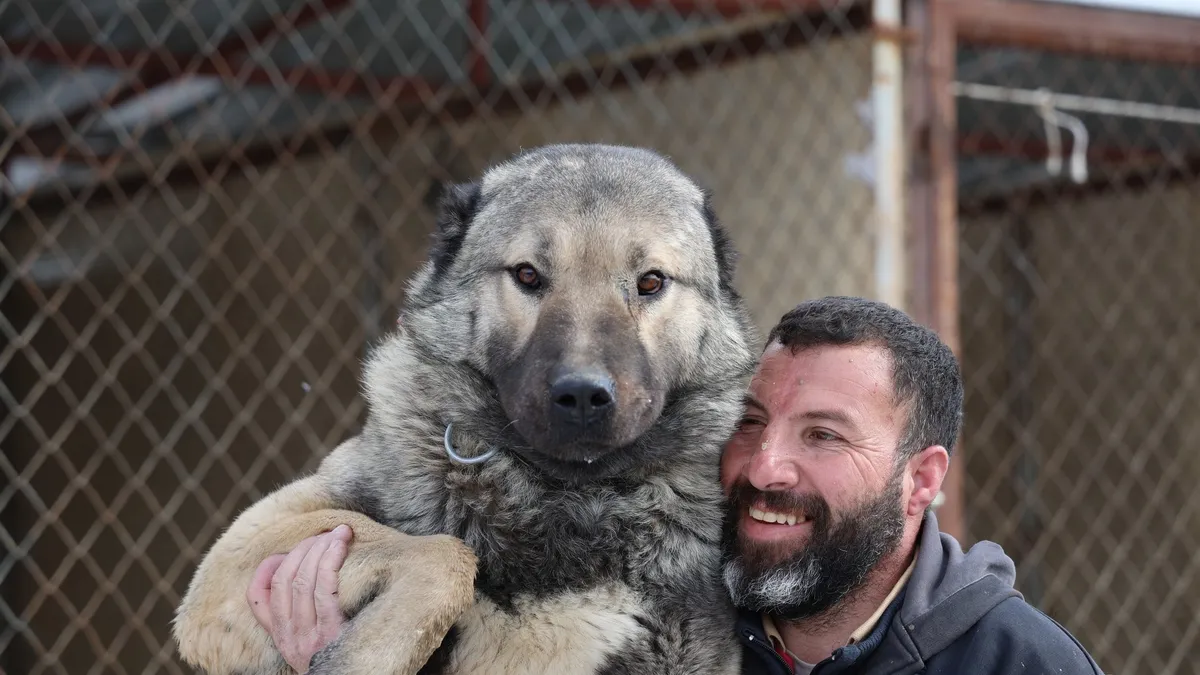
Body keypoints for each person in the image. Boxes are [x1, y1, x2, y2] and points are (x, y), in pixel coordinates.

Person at [247, 296, 1104, 675]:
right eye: (750, 422)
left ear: (920, 480)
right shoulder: (654, 617)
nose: (767, 467)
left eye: (824, 436)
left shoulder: (1021, 664)